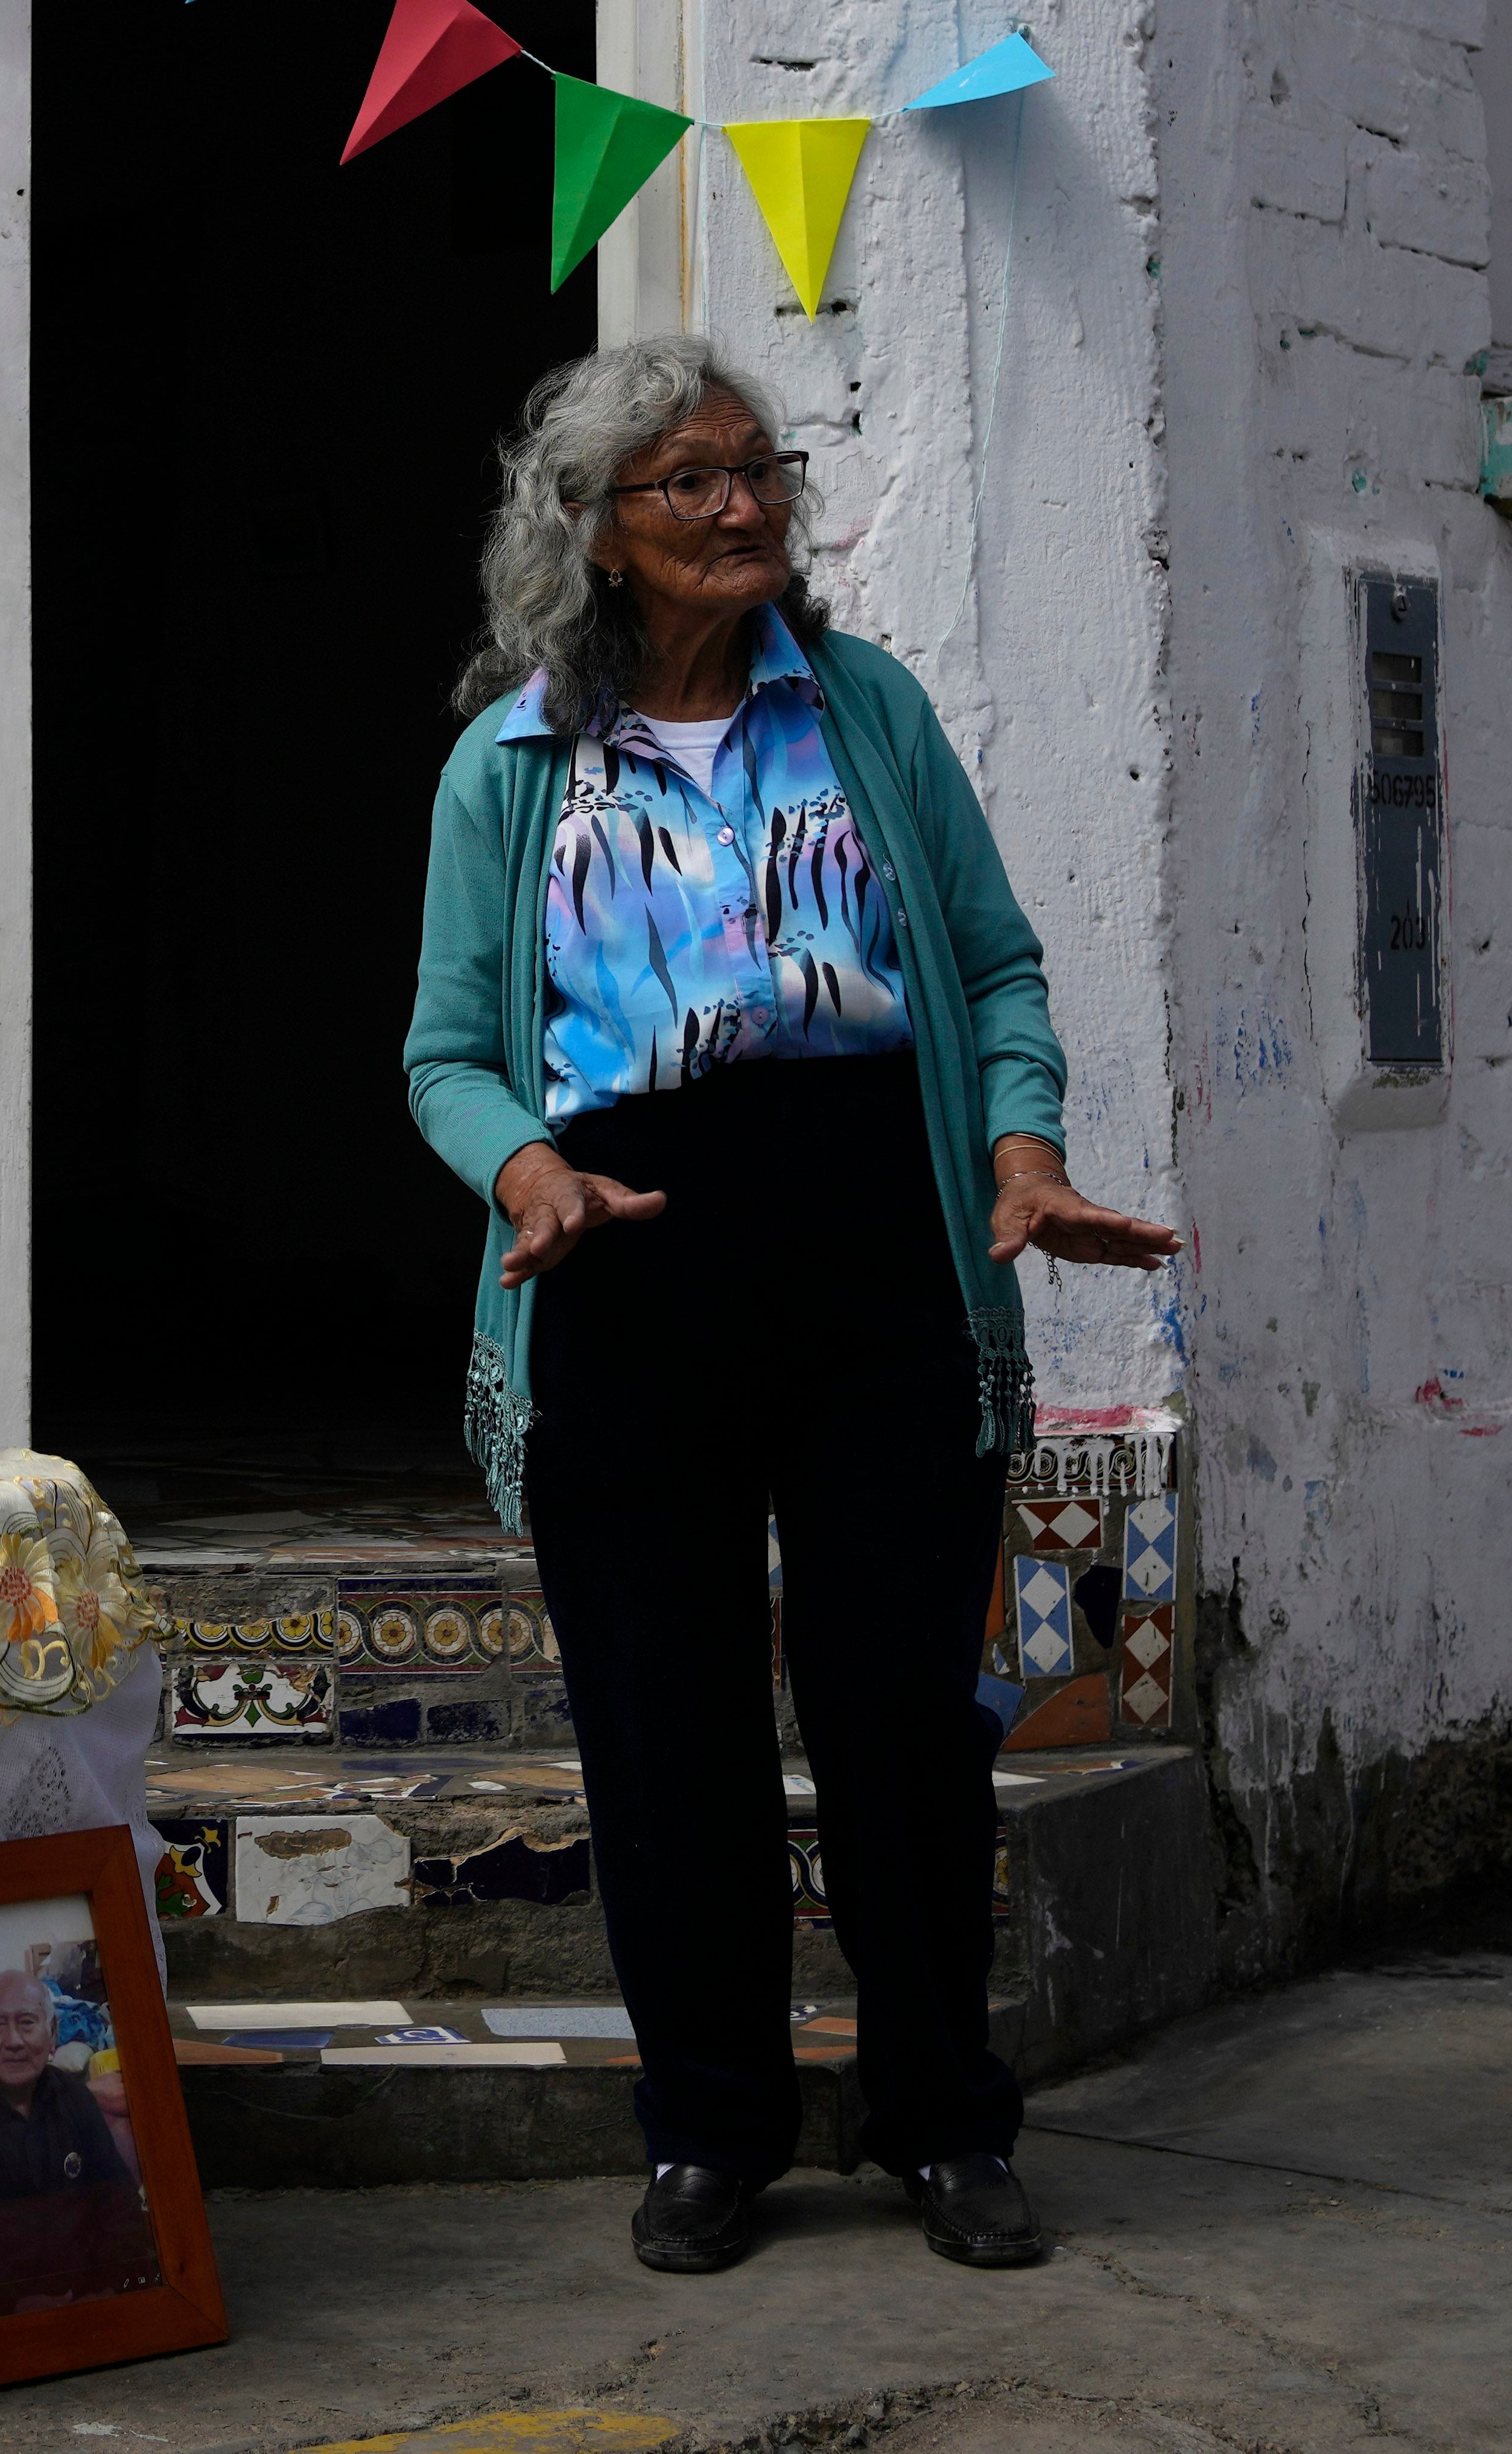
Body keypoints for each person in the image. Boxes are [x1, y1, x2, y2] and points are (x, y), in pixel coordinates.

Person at [400, 336, 1184, 2281]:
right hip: (622, 1254)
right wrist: (529, 1171)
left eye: (760, 468)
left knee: (903, 1716)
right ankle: (711, 2129)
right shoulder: (507, 762)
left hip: (870, 1248)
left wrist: (1015, 1151)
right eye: (691, 480)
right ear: (589, 529)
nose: (745, 505)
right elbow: (442, 1057)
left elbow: (995, 974)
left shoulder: (869, 714)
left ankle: (939, 2114)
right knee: (664, 1736)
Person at [0, 1966, 157, 2320]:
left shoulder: (76, 2099)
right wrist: (11, 2303)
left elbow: (119, 2203)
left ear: (52, 2032)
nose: (14, 2041)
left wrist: (107, 2288)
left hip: (89, 2300)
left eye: (27, 2022)